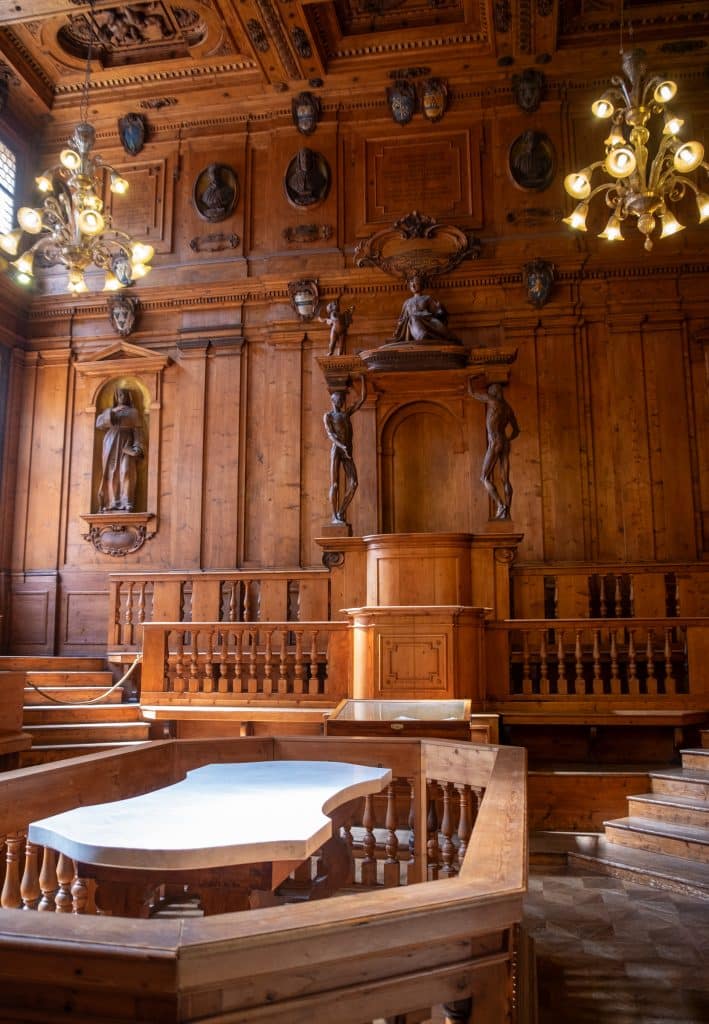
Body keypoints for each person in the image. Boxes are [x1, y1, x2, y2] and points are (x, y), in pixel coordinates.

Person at [471, 382, 520, 520]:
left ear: (493, 392)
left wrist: (471, 379)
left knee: (484, 477)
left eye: (491, 391)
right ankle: (507, 513)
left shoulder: (493, 401)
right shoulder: (508, 408)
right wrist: (507, 439)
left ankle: (500, 505)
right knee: (505, 479)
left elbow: (473, 393)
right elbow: (516, 430)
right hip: (504, 442)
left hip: (494, 441)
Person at [323, 378, 366, 524]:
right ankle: (334, 516)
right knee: (334, 484)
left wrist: (363, 379)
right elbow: (330, 434)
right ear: (333, 400)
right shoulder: (328, 416)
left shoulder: (346, 414)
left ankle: (341, 512)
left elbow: (361, 400)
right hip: (337, 450)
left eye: (342, 399)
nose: (341, 401)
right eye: (339, 399)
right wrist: (342, 447)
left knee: (353, 483)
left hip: (347, 451)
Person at [96, 388, 144, 513]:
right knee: (112, 472)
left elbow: (137, 431)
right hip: (110, 443)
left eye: (123, 394)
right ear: (116, 397)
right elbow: (99, 424)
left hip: (126, 444)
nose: (121, 397)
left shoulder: (133, 412)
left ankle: (127, 502)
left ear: (128, 396)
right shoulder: (111, 411)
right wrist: (112, 411)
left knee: (126, 471)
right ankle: (113, 502)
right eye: (119, 395)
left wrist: (138, 446)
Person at [393, 274, 460, 344]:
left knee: (439, 327)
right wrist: (399, 327)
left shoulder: (427, 298)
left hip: (427, 320)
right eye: (411, 285)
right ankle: (421, 335)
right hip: (412, 321)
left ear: (421, 285)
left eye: (416, 284)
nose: (413, 286)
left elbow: (438, 312)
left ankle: (426, 335)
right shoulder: (407, 302)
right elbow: (401, 318)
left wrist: (440, 308)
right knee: (412, 318)